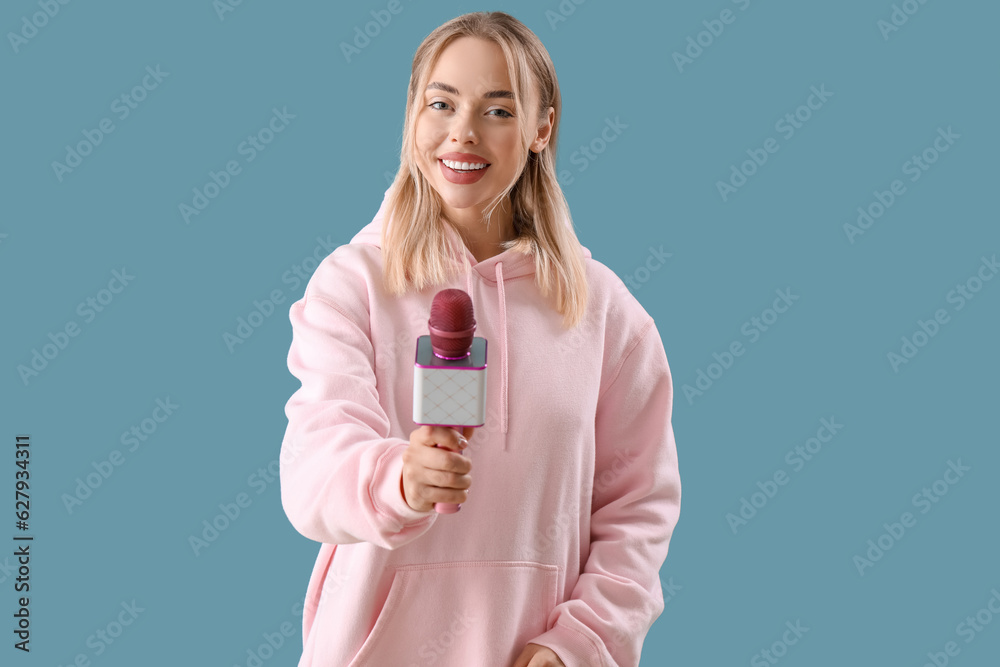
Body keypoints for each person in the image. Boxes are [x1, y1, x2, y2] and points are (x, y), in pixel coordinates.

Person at [278, 11, 681, 667]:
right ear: (413, 115)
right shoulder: (353, 284)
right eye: (442, 103)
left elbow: (638, 505)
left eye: (498, 110)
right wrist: (400, 477)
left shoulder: (604, 309)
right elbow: (314, 468)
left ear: (540, 128)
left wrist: (582, 639)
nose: (462, 131)